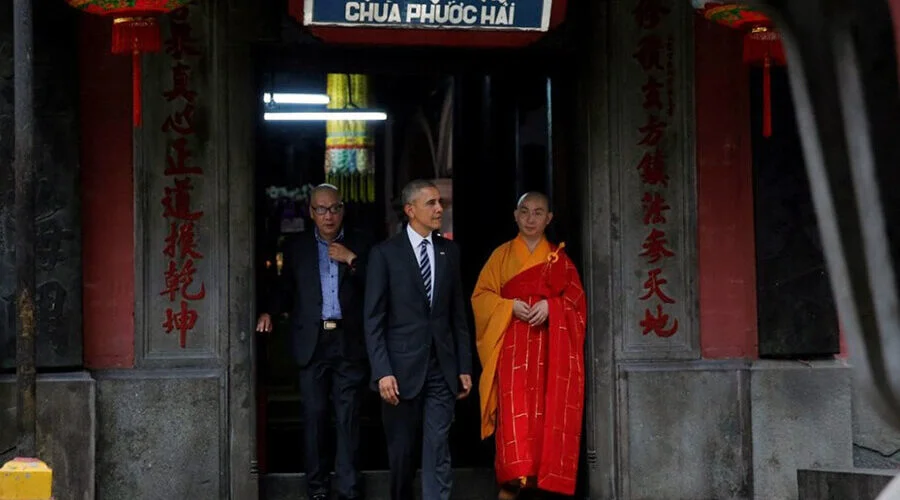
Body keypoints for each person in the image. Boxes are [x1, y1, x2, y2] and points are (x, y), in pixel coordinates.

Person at [256, 184, 371, 500]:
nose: (328, 215)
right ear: (311, 213)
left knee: (348, 419)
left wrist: (352, 259)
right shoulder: (298, 248)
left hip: (349, 341)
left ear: (343, 209)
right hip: (313, 340)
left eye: (334, 208)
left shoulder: (360, 242)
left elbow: (379, 285)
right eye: (321, 209)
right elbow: (286, 288)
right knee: (315, 418)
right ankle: (317, 488)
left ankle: (349, 489)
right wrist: (268, 311)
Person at [471, 192, 587, 499]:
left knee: (547, 417)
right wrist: (508, 307)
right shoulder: (501, 256)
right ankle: (511, 484)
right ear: (515, 215)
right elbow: (481, 298)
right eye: (525, 212)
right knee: (515, 421)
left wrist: (553, 308)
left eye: (538, 213)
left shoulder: (560, 260)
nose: (531, 219)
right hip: (513, 354)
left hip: (550, 353)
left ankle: (544, 485)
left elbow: (576, 305)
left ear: (549, 218)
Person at [363, 179, 473, 500]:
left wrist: (463, 365)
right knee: (402, 454)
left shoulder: (450, 251)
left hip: (441, 367)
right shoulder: (385, 254)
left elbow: (457, 317)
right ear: (410, 210)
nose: (439, 209)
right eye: (431, 203)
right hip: (399, 370)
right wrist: (382, 370)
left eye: (440, 203)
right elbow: (373, 320)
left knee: (437, 446)